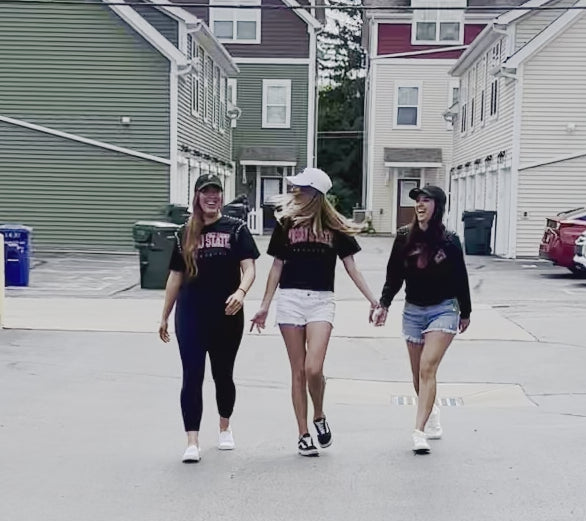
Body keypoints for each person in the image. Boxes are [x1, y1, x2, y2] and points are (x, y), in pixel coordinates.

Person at [250, 167, 378, 457]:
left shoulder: (333, 227)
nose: (295, 191)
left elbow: (351, 267)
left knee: (313, 369)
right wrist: (264, 306)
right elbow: (276, 267)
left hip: (321, 300)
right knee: (297, 371)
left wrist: (373, 300)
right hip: (290, 300)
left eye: (301, 188)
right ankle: (303, 433)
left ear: (315, 194)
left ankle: (318, 415)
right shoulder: (286, 223)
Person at [159, 173, 260, 463]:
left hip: (227, 313)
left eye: (216, 192)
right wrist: (164, 315)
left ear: (221, 197)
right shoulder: (184, 233)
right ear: (197, 197)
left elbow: (249, 268)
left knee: (222, 374)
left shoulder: (236, 228)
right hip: (191, 313)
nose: (211, 197)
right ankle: (192, 440)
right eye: (206, 192)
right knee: (192, 375)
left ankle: (224, 426)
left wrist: (241, 292)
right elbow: (175, 277)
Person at [373, 184, 471, 455]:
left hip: (444, 309)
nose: (420, 204)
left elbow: (460, 278)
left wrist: (466, 312)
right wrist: (384, 304)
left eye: (426, 200)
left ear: (437, 206)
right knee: (419, 376)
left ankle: (418, 431)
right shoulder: (404, 237)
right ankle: (432, 411)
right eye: (418, 200)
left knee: (428, 368)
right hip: (413, 311)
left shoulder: (450, 241)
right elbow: (394, 275)